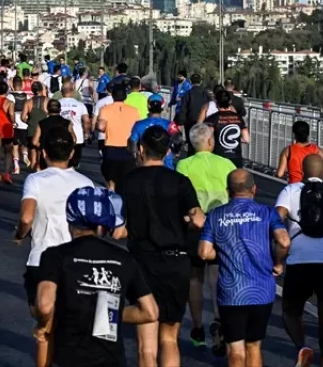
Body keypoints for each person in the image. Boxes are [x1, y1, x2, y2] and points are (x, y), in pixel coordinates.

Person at [34, 185, 159, 367]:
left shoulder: (55, 256)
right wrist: (107, 312)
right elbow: (150, 312)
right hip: (111, 360)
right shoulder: (123, 258)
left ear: (69, 218)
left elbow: (45, 305)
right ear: (102, 225)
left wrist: (41, 325)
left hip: (68, 358)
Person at [118, 125, 206, 367]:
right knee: (169, 338)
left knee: (146, 346)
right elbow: (199, 220)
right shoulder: (180, 181)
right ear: (168, 151)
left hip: (141, 262)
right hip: (176, 261)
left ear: (141, 149)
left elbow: (118, 226)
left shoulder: (128, 181)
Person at [16, 127, 94, 367]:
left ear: (44, 152)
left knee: (44, 330)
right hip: (78, 261)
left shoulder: (36, 180)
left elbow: (27, 218)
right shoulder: (86, 182)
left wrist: (19, 235)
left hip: (43, 259)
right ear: (72, 153)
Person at [198, 170, 291, 367]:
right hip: (262, 290)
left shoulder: (216, 215)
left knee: (235, 350)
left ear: (228, 191)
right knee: (254, 346)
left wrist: (223, 252)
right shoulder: (267, 213)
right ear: (254, 189)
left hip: (232, 292)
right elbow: (284, 241)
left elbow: (204, 252)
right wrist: (278, 262)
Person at [273, 152, 323, 367]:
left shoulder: (290, 190)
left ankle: (302, 347)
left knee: (291, 310)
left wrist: (279, 252)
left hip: (299, 259)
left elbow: (277, 217)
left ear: (302, 170)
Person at [177, 122, 237, 353]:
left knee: (195, 278)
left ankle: (198, 327)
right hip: (221, 225)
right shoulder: (226, 164)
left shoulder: (184, 164)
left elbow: (179, 196)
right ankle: (219, 321)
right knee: (217, 277)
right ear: (211, 142)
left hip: (194, 226)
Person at [96, 82, 139, 191]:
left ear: (113, 95)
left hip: (111, 148)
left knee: (111, 181)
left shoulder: (105, 110)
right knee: (126, 182)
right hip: (128, 149)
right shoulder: (134, 111)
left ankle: (111, 201)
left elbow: (101, 127)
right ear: (125, 96)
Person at [129, 94, 178, 169]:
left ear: (148, 106)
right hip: (166, 162)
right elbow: (178, 139)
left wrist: (135, 156)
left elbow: (132, 142)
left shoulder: (139, 124)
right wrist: (175, 152)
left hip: (145, 160)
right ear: (162, 107)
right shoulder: (169, 124)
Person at [205, 88, 248, 167]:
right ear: (230, 102)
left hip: (218, 156)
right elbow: (246, 139)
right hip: (236, 156)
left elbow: (208, 138)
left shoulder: (212, 119)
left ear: (216, 102)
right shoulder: (239, 118)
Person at [277, 120, 323, 185]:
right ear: (308, 134)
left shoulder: (288, 150)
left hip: (294, 185)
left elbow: (279, 174)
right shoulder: (317, 150)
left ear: (294, 134)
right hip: (311, 186)